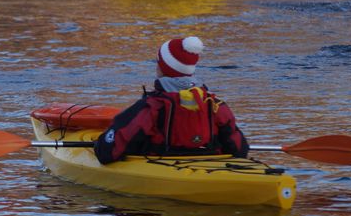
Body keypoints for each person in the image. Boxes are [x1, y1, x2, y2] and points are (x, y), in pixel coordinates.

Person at [94, 36, 249, 164]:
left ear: (162, 68)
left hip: (161, 165)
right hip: (208, 164)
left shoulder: (151, 107)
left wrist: (100, 144)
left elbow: (106, 153)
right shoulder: (214, 104)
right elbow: (240, 149)